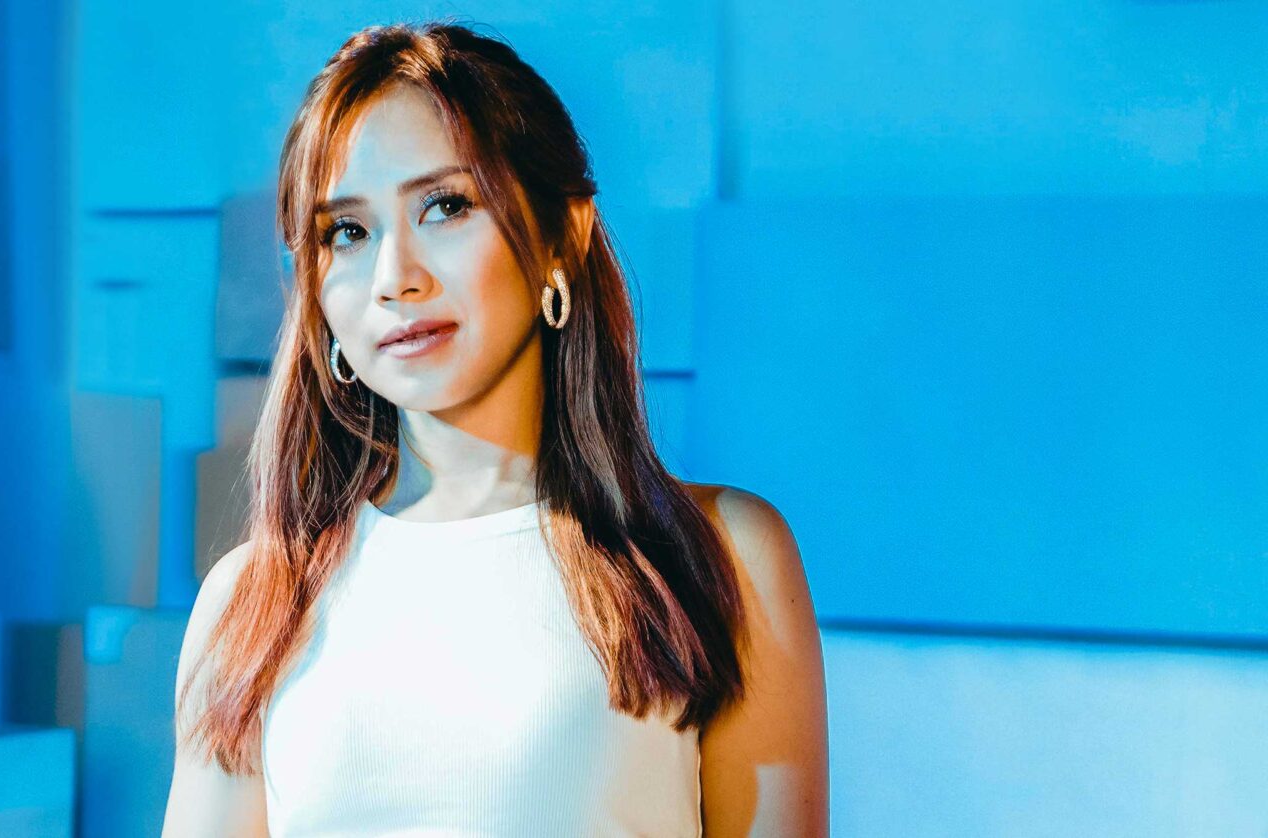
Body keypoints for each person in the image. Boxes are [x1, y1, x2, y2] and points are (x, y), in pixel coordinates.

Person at [163, 21, 828, 837]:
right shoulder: (250, 603)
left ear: (561, 238)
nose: (394, 278)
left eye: (445, 206)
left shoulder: (719, 555)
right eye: (349, 232)